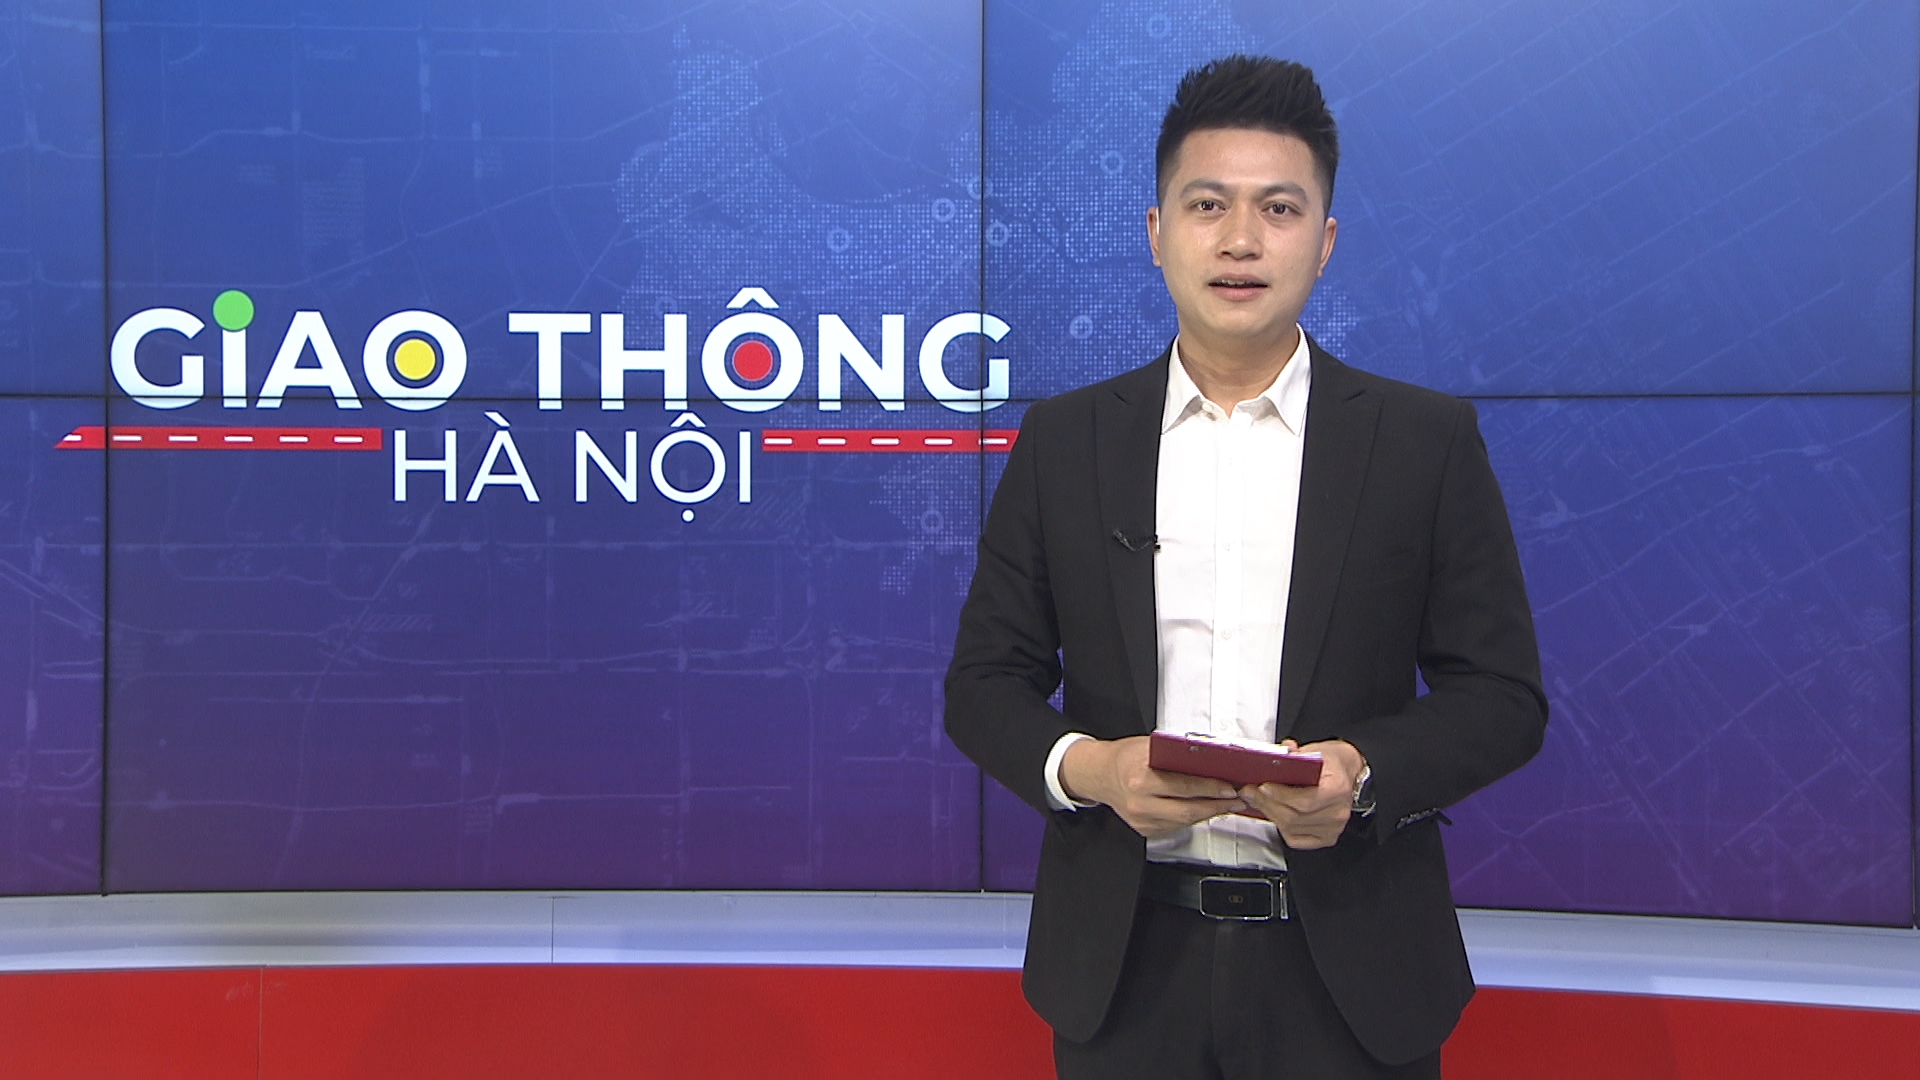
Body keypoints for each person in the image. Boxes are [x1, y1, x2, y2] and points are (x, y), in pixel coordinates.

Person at [945, 55, 1548, 1078]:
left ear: (1325, 240)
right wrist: (1097, 771)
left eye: (1278, 208)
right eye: (1207, 204)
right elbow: (983, 686)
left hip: (1352, 972)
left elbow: (1501, 697)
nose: (1239, 239)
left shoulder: (1423, 442)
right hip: (1125, 971)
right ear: (1156, 231)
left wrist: (1362, 777)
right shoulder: (1067, 442)